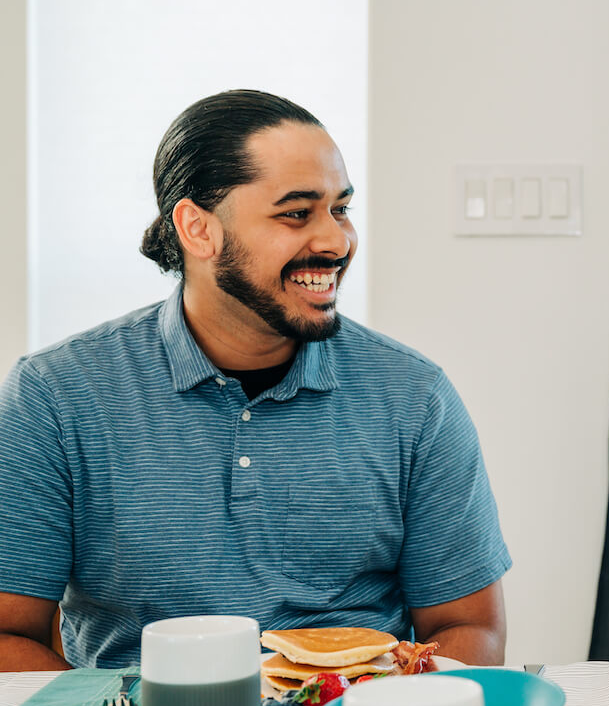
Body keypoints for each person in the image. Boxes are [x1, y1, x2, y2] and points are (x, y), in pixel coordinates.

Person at [0, 90, 511, 670]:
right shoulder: (53, 396)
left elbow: (466, 624)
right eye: (296, 213)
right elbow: (8, 636)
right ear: (197, 229)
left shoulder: (415, 397)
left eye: (340, 209)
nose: (336, 241)